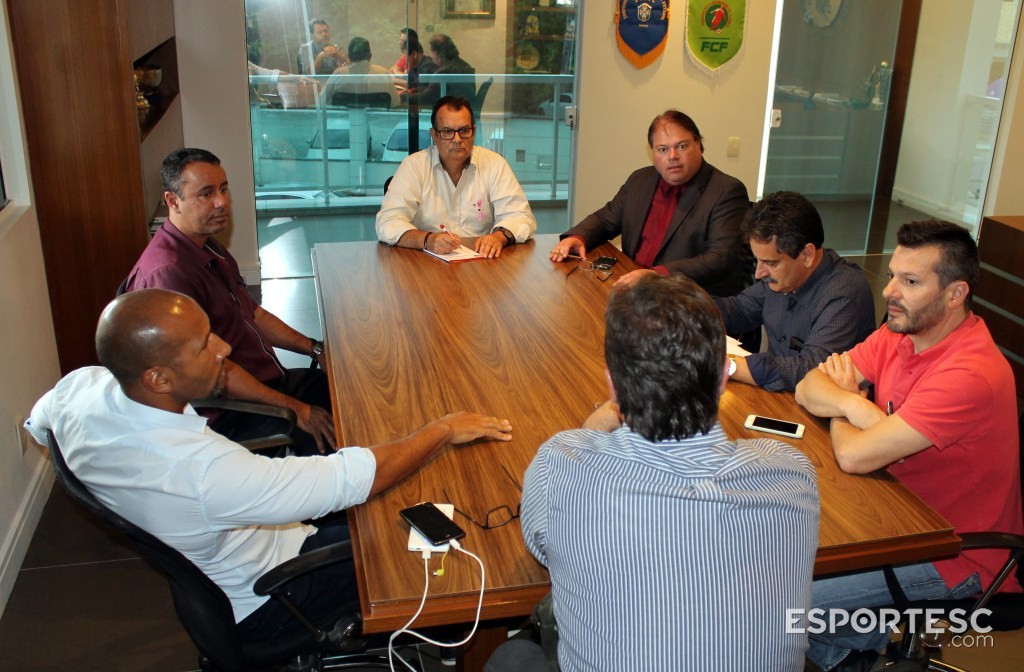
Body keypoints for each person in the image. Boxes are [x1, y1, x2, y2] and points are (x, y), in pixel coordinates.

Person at [25, 288, 512, 642]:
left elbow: (38, 425)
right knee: (453, 548)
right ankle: (466, 640)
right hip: (271, 596)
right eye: (203, 345)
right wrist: (441, 429)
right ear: (158, 378)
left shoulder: (79, 389)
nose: (223, 348)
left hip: (236, 553)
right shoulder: (202, 474)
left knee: (407, 515)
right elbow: (350, 479)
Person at [506, 275, 819, 671]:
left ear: (613, 388)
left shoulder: (559, 467)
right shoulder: (793, 474)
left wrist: (596, 425)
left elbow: (542, 548)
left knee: (513, 654)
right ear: (723, 378)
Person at [794, 220, 1022, 670]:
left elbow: (854, 455)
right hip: (890, 515)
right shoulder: (901, 332)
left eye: (911, 281)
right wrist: (856, 406)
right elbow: (808, 386)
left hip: (951, 554)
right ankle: (849, 653)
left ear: (955, 294)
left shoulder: (969, 374)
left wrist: (845, 403)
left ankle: (846, 654)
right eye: (893, 275)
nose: (889, 291)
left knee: (776, 597)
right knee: (775, 557)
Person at [125, 148, 334, 457]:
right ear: (173, 201)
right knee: (339, 438)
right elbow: (215, 369)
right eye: (206, 194)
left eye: (223, 189)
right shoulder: (169, 274)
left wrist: (314, 348)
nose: (222, 202)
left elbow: (252, 313)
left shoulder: (206, 245)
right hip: (232, 413)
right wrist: (296, 408)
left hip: (265, 383)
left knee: (347, 389)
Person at [550, 110, 750, 296]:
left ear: (699, 145)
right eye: (663, 149)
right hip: (634, 289)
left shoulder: (726, 190)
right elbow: (606, 219)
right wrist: (578, 237)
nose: (672, 156)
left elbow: (720, 258)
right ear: (653, 152)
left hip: (687, 299)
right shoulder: (641, 180)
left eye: (682, 146)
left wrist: (657, 275)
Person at [714, 191, 875, 392]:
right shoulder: (783, 277)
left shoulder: (845, 292)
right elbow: (738, 310)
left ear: (806, 255)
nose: (758, 273)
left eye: (770, 263)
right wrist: (685, 306)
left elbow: (812, 369)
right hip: (778, 396)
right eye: (758, 261)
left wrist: (729, 366)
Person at [376, 96, 537, 259]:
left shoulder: (495, 164)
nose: (457, 139)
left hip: (481, 262)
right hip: (425, 263)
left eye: (464, 130)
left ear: (474, 131)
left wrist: (499, 237)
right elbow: (387, 222)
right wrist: (427, 240)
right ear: (434, 135)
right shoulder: (414, 166)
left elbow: (521, 217)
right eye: (447, 132)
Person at [320, 37, 398, 108]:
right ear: (370, 55)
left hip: (345, 119)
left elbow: (322, 101)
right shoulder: (383, 73)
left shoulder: (338, 75)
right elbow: (395, 102)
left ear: (349, 56)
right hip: (377, 119)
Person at [417, 34, 475, 105]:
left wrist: (404, 97)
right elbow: (433, 91)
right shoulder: (465, 66)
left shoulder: (443, 71)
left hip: (450, 109)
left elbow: (427, 98)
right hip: (464, 108)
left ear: (436, 53)